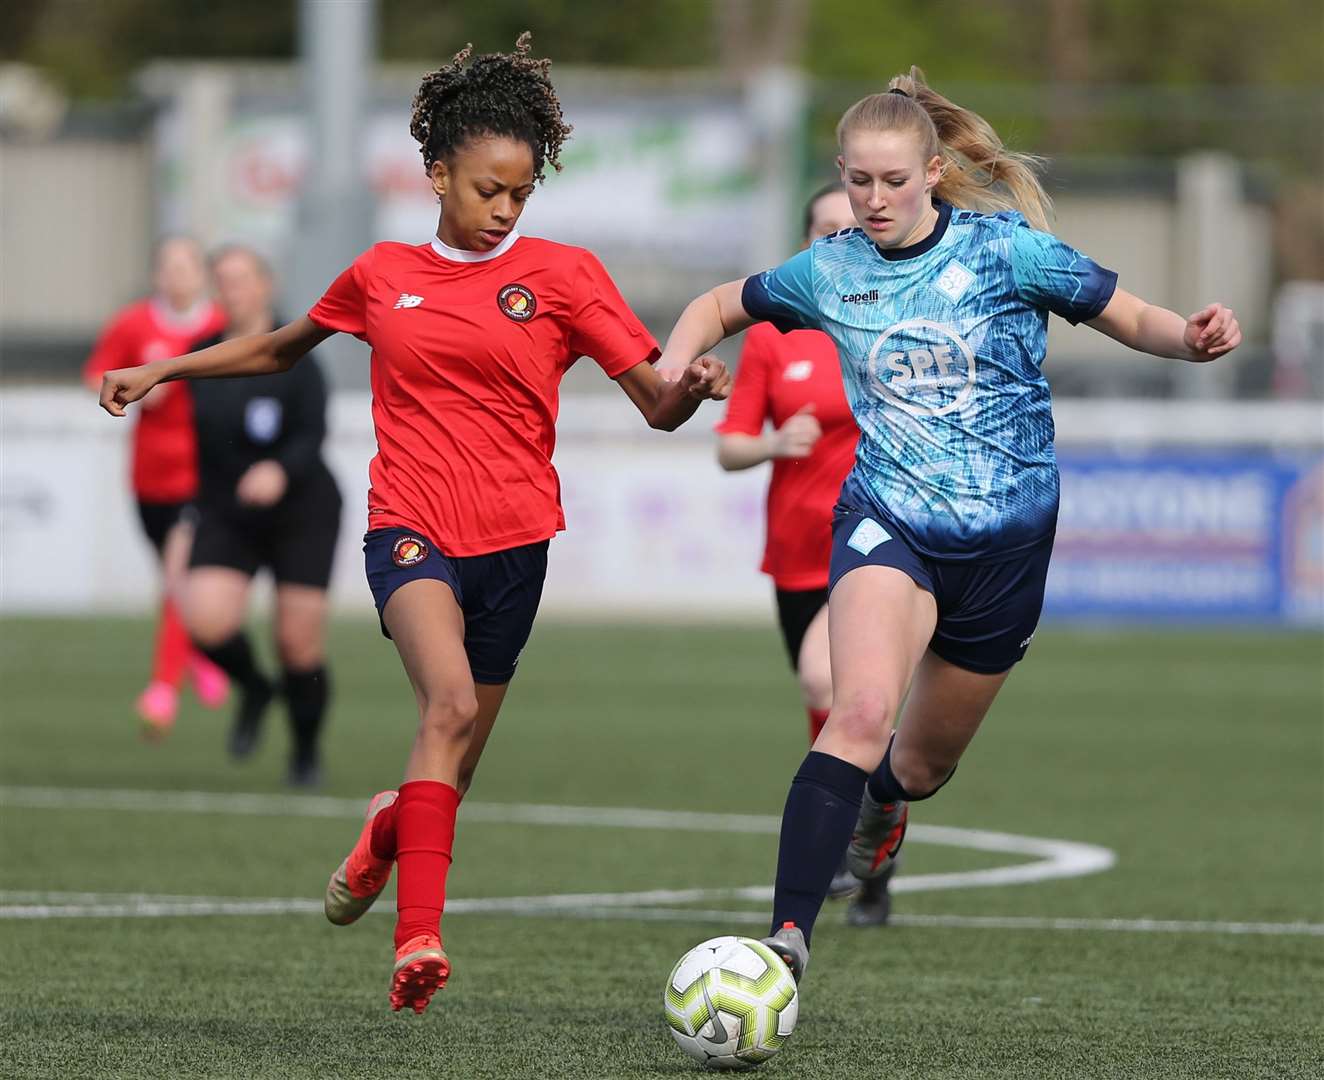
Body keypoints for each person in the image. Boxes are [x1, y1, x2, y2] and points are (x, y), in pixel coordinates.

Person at [98, 34, 730, 1015]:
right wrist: (164, 370)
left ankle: (381, 835)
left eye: (521, 192)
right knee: (446, 709)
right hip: (411, 529)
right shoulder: (380, 272)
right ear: (437, 174)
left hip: (517, 543)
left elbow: (655, 403)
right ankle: (418, 940)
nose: (506, 208)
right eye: (488, 189)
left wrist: (689, 389)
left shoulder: (565, 276)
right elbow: (276, 349)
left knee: (452, 768)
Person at [659, 67, 1241, 986]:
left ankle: (884, 803)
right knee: (854, 713)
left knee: (920, 765)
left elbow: (1128, 314)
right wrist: (670, 371)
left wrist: (1191, 338)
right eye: (858, 181)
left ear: (934, 170)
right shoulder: (831, 268)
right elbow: (716, 306)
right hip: (888, 521)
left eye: (893, 181)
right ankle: (784, 946)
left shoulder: (1008, 251)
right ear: (841, 175)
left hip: (1008, 550)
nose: (874, 199)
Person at [716, 183, 898, 926]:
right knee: (829, 703)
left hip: (875, 540)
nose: (835, 239)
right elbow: (730, 446)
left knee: (830, 677)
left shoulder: (887, 318)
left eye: (846, 227)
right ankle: (871, 833)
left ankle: (843, 843)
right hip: (794, 553)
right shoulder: (773, 333)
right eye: (821, 228)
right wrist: (771, 443)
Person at [183, 244, 342, 787]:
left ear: (265, 285)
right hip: (230, 509)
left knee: (297, 641)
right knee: (204, 618)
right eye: (221, 279)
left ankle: (305, 752)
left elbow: (314, 432)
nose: (232, 288)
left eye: (241, 278)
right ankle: (254, 687)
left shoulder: (297, 351)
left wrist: (279, 469)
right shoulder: (200, 355)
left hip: (302, 506)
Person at [83, 237, 229, 736]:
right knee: (173, 583)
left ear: (202, 274)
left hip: (201, 477)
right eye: (168, 266)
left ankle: (162, 690)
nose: (177, 276)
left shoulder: (218, 328)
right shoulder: (133, 324)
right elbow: (97, 374)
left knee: (178, 578)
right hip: (148, 479)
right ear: (156, 274)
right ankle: (202, 655)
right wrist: (136, 396)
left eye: (186, 266)